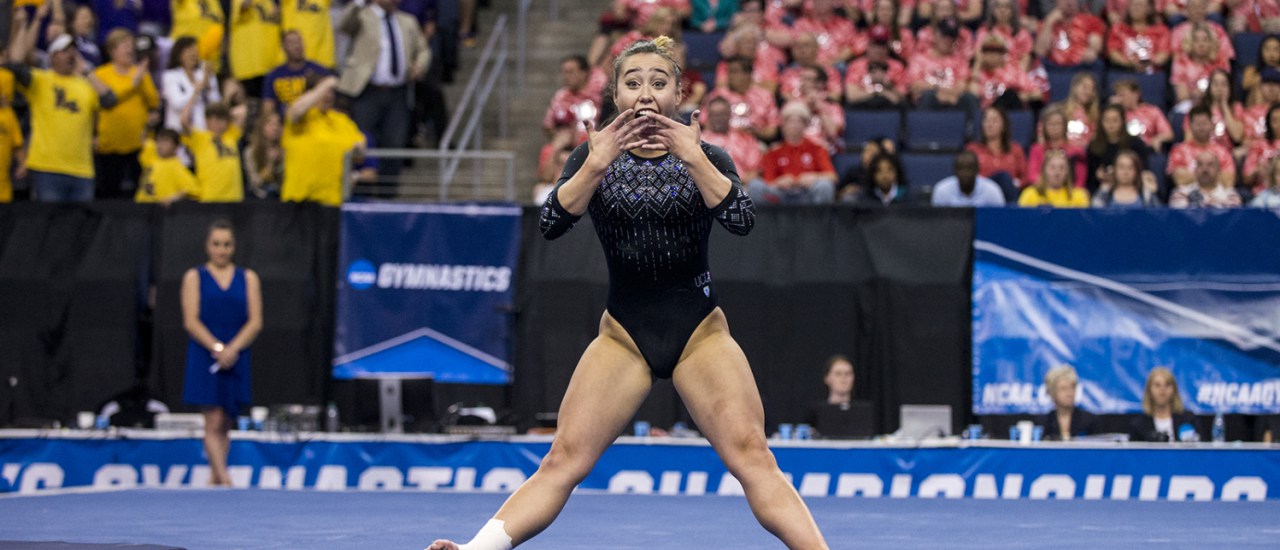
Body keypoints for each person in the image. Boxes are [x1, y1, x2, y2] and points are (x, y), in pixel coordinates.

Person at [428, 36, 828, 550]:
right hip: (623, 336)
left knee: (753, 456)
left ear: (678, 93)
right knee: (563, 459)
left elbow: (742, 221)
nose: (645, 93)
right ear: (616, 94)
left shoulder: (706, 153)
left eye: (658, 83)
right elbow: (551, 223)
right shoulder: (592, 157)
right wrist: (594, 165)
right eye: (632, 82)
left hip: (700, 333)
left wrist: (694, 156)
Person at [181, 220, 263, 486]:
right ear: (208, 246)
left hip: (236, 354)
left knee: (226, 419)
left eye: (226, 244)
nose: (221, 250)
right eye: (216, 244)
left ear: (233, 247)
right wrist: (217, 348)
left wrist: (232, 349)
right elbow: (191, 320)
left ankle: (214, 479)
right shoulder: (194, 277)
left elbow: (255, 321)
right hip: (206, 354)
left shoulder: (248, 278)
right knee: (213, 419)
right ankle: (225, 479)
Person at [8, 7, 117, 203]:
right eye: (64, 51)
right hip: (47, 168)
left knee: (80, 230)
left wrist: (87, 71)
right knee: (48, 227)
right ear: (53, 56)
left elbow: (110, 100)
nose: (70, 55)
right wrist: (22, 25)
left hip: (82, 170)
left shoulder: (86, 84)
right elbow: (15, 64)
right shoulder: (41, 80)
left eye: (73, 51)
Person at [337, 0, 431, 182]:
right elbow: (344, 24)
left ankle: (387, 194)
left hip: (398, 93)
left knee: (394, 142)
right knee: (362, 140)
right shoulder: (362, 15)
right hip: (366, 91)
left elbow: (423, 49)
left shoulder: (408, 21)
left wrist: (420, 65)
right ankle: (361, 188)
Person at [92, 28, 159, 200]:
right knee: (109, 194)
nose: (130, 49)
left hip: (138, 145)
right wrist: (133, 82)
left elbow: (154, 101)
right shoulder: (101, 74)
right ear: (112, 50)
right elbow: (106, 100)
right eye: (124, 45)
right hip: (109, 146)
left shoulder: (140, 73)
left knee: (139, 193)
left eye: (131, 45)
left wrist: (142, 77)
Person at [281, 75, 367, 206]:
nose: (328, 95)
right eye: (324, 91)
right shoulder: (304, 117)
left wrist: (358, 150)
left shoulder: (342, 120)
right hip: (300, 198)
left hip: (332, 199)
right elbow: (295, 112)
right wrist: (326, 84)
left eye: (331, 91)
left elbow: (359, 152)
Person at [753, 101, 837, 204]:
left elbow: (832, 176)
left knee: (825, 186)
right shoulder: (774, 151)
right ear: (783, 125)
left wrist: (814, 177)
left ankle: (818, 220)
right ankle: (764, 220)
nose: (795, 126)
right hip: (781, 195)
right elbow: (768, 181)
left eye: (799, 122)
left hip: (807, 193)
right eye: (790, 122)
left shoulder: (817, 148)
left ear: (805, 125)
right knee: (755, 186)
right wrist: (779, 182)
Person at [181, 102, 246, 202]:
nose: (217, 123)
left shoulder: (230, 135)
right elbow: (184, 120)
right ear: (207, 121)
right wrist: (196, 93)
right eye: (212, 119)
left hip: (234, 198)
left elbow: (243, 111)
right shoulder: (201, 138)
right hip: (211, 197)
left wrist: (226, 114)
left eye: (221, 120)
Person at [804, 355, 877, 439]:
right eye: (838, 374)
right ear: (827, 378)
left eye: (848, 374)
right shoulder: (815, 411)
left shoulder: (864, 412)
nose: (844, 378)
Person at [261, 30, 333, 115]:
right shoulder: (274, 76)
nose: (297, 45)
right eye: (291, 42)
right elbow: (268, 107)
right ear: (283, 47)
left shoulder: (319, 71)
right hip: (285, 123)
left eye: (299, 41)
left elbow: (329, 102)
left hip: (313, 121)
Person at [1168, 105, 1237, 190]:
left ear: (1212, 125)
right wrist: (1212, 175)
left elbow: (1229, 181)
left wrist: (1192, 176)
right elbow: (1179, 179)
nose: (1201, 128)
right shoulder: (1179, 150)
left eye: (1204, 123)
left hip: (1218, 196)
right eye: (1197, 124)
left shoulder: (1222, 152)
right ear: (1190, 126)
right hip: (1188, 195)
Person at [1085, 104, 1150, 193]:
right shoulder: (1093, 147)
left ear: (1122, 122)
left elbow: (1143, 170)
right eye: (1107, 120)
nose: (1111, 124)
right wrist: (1098, 176)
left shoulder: (1136, 144)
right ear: (1101, 122)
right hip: (1102, 189)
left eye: (1115, 120)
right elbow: (1089, 179)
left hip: (1132, 188)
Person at [162, 36, 220, 132]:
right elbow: (177, 104)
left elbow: (216, 102)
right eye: (189, 50)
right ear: (179, 55)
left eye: (195, 50)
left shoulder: (203, 74)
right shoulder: (170, 76)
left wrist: (209, 85)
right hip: (178, 131)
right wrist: (196, 90)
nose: (193, 53)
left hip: (201, 131)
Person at [1129, 367, 1202, 442]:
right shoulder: (1138, 425)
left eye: (1167, 385)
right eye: (1157, 385)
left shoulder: (1189, 420)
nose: (1162, 389)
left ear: (1174, 390)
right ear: (1149, 390)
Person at [968, 106, 1027, 198]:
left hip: (1009, 191)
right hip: (982, 194)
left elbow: (1024, 176)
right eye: (986, 120)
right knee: (1003, 177)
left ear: (1003, 125)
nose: (989, 124)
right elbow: (968, 176)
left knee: (1005, 179)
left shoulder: (1015, 149)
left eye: (994, 121)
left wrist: (1017, 184)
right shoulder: (973, 149)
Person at [229, 0, 283, 98]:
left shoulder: (271, 3)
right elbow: (243, 5)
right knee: (254, 109)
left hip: (272, 65)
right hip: (251, 68)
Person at [135, 128, 196, 204]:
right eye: (159, 141)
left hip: (158, 209)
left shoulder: (177, 167)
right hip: (140, 205)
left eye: (165, 141)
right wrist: (148, 125)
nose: (160, 145)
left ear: (176, 147)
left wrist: (171, 199)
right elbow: (143, 139)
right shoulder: (151, 156)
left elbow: (192, 190)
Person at [930, 150, 1007, 207]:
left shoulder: (992, 191)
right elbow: (938, 224)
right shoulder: (942, 191)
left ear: (977, 170)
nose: (965, 173)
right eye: (961, 169)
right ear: (954, 171)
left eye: (970, 168)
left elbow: (1000, 221)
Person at [1041, 365, 1098, 441]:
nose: (1069, 393)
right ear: (1052, 392)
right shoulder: (1044, 422)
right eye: (1063, 389)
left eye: (1072, 387)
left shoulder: (1090, 421)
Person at [1169, 150, 1243, 208]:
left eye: (1210, 165)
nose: (1205, 169)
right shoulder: (1181, 193)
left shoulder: (1230, 194)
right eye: (1200, 164)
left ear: (1218, 170)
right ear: (1195, 170)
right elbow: (1181, 217)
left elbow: (1230, 218)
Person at [1019, 149, 1090, 207]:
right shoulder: (1030, 194)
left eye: (1062, 168)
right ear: (1044, 171)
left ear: (1067, 172)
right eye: (1052, 168)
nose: (1057, 172)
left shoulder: (1078, 196)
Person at [1092, 149, 1161, 207]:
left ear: (1137, 171)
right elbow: (1095, 218)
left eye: (1130, 168)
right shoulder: (1105, 194)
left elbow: (1159, 217)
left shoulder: (1146, 194)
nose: (1125, 172)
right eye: (1121, 167)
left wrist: (1152, 191)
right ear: (1115, 169)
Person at [244, 110, 284, 199]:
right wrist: (270, 163)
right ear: (261, 127)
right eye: (270, 124)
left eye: (277, 124)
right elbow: (255, 182)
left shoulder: (284, 151)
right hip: (258, 197)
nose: (275, 127)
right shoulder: (250, 151)